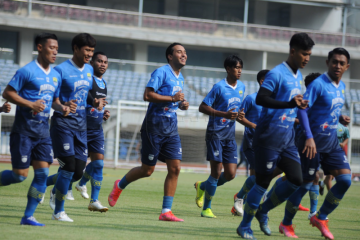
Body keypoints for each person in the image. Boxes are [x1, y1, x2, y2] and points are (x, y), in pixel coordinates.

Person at [237, 32, 314, 239]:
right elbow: (262, 98)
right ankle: (244, 226)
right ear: (292, 51)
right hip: (268, 137)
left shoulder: (298, 77)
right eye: (304, 54)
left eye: (309, 54)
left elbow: (297, 107)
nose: (307, 58)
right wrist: (289, 104)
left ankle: (263, 211)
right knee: (262, 182)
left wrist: (307, 132)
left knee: (296, 179)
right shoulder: (277, 73)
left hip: (287, 140)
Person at [108, 42, 189, 222]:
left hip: (171, 128)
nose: (183, 55)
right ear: (170, 56)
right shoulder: (161, 72)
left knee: (175, 168)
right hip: (153, 126)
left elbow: (173, 101)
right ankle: (119, 185)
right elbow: (147, 95)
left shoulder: (180, 77)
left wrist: (181, 104)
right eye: (179, 52)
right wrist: (172, 98)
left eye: (185, 52)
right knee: (147, 170)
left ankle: (166, 211)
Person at [0, 33, 70, 226]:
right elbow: (7, 93)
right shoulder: (27, 71)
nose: (55, 52)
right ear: (40, 48)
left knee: (42, 175)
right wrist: (31, 104)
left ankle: (28, 216)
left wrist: (62, 107)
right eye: (51, 47)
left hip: (43, 132)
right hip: (23, 131)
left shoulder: (56, 75)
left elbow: (54, 101)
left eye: (56, 48)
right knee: (19, 176)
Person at [282, 48, 351, 240]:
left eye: (341, 63)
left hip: (331, 144)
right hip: (311, 144)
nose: (337, 65)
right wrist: (310, 137)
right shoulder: (318, 85)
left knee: (345, 180)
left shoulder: (342, 87)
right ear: (328, 62)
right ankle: (286, 223)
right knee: (303, 185)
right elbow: (302, 111)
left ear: (347, 66)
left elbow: (326, 111)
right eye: (334, 61)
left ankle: (320, 217)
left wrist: (339, 118)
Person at [46, 33, 105, 222]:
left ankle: (55, 190)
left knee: (79, 171)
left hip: (81, 126)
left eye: (92, 51)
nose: (90, 54)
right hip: (63, 125)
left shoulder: (89, 70)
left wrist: (94, 102)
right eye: (87, 50)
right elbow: (51, 99)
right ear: (76, 49)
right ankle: (59, 211)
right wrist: (62, 107)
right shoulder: (60, 70)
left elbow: (86, 91)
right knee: (68, 166)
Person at [194, 55, 245, 218]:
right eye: (236, 67)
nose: (239, 71)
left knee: (230, 174)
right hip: (215, 134)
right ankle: (206, 209)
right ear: (228, 69)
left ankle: (203, 186)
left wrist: (240, 115)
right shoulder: (219, 87)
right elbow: (202, 107)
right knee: (216, 172)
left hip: (229, 136)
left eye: (241, 67)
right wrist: (223, 114)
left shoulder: (242, 86)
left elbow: (236, 110)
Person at [75, 51, 110, 212]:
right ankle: (53, 189)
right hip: (81, 127)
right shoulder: (87, 80)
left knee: (99, 163)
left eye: (105, 62)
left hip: (96, 129)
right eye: (99, 61)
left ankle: (93, 200)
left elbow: (98, 105)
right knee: (72, 167)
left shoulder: (104, 84)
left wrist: (104, 113)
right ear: (92, 63)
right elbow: (84, 100)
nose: (102, 64)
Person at [231, 69, 268, 217]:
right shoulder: (251, 99)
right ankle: (239, 197)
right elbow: (239, 117)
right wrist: (253, 126)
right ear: (262, 82)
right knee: (259, 177)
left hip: (267, 144)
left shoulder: (274, 102)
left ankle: (241, 204)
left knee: (256, 178)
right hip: (252, 142)